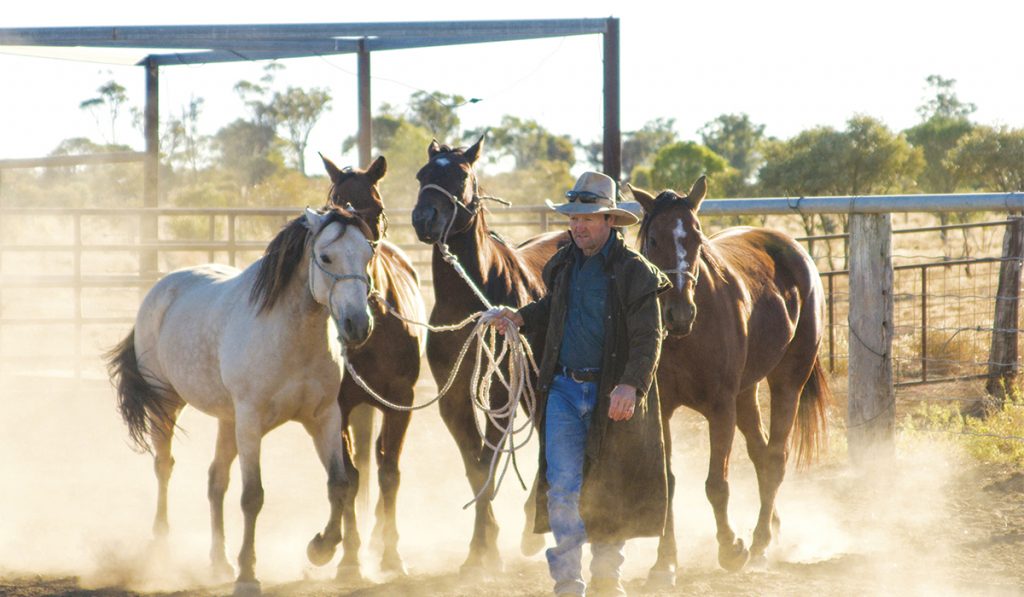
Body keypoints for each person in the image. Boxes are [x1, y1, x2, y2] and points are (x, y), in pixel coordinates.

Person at [487, 171, 670, 597]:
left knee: (609, 485)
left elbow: (650, 337)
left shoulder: (635, 273)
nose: (578, 225)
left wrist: (631, 386)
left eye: (587, 217)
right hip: (565, 392)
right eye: (573, 218)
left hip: (613, 395)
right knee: (564, 487)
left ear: (609, 220)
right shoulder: (563, 265)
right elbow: (554, 307)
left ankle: (607, 576)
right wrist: (521, 316)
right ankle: (568, 584)